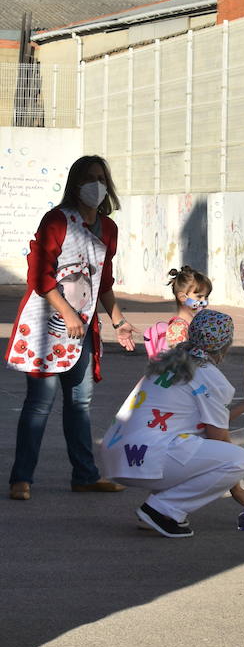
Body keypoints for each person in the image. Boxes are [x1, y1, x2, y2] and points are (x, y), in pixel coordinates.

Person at [7, 155, 139, 499]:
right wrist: (67, 313)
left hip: (82, 330)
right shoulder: (57, 220)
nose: (96, 185)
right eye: (89, 178)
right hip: (46, 326)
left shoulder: (108, 228)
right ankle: (22, 478)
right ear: (75, 183)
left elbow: (103, 282)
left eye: (101, 178)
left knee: (80, 403)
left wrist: (118, 320)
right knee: (40, 402)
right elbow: (39, 275)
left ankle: (85, 475)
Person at [99, 309, 244, 538]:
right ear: (225, 345)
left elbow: (209, 421)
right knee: (238, 460)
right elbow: (218, 436)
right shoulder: (209, 376)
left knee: (191, 442)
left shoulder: (170, 361)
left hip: (117, 454)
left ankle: (158, 510)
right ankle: (161, 510)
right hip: (145, 456)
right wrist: (237, 489)